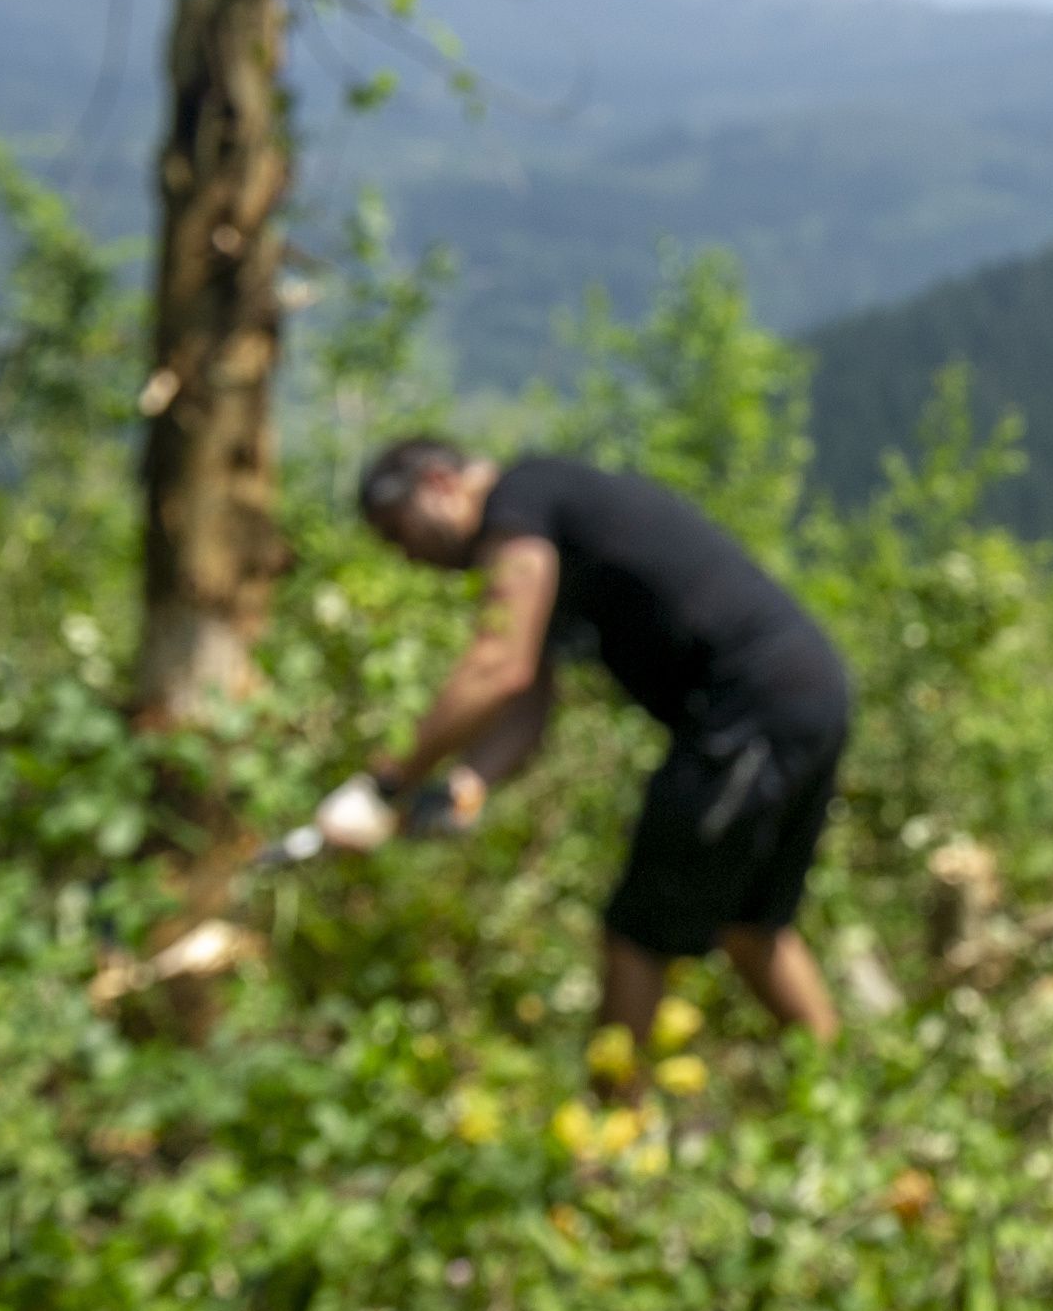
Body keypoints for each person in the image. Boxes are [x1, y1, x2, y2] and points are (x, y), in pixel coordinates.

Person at [327, 437, 854, 1047]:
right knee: (752, 926)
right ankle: (840, 1097)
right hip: (803, 693)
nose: (408, 557)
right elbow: (528, 700)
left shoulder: (519, 500)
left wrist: (384, 782)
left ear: (440, 485)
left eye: (398, 533)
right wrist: (466, 787)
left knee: (636, 935)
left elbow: (500, 664)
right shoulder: (546, 517)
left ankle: (607, 1134)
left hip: (750, 712)